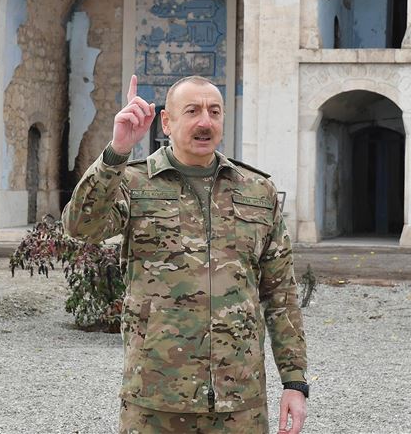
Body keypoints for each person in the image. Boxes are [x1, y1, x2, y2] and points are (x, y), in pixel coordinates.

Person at [63, 75, 308, 433]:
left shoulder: (257, 191)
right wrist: (117, 152)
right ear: (167, 121)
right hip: (154, 399)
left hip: (240, 402)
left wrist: (294, 382)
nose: (205, 121)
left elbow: (281, 292)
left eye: (214, 111)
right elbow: (80, 226)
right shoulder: (133, 183)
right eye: (192, 111)